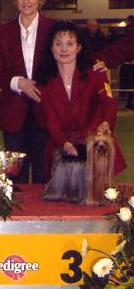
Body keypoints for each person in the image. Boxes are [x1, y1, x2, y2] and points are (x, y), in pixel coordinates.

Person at [35, 21, 126, 201]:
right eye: (58, 43)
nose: (64, 49)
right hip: (62, 146)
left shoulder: (96, 73)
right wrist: (65, 143)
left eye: (70, 43)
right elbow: (50, 119)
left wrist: (101, 128)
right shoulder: (44, 82)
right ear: (51, 49)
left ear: (79, 47)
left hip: (93, 139)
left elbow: (108, 103)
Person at [0, 0, 55, 183]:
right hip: (13, 116)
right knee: (16, 180)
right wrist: (18, 83)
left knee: (45, 177)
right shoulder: (1, 32)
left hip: (46, 114)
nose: (27, 1)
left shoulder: (54, 29)